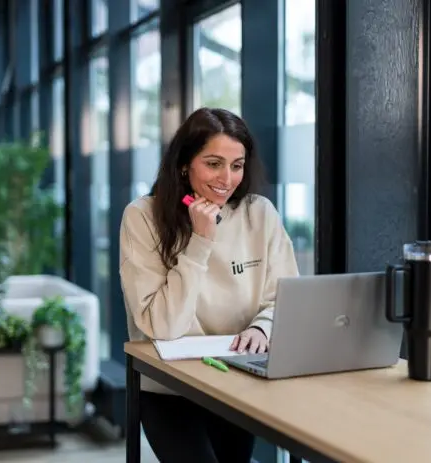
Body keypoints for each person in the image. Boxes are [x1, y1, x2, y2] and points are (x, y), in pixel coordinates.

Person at [119, 107, 300, 463]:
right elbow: (164, 327)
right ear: (185, 164)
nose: (227, 178)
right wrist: (201, 241)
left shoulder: (258, 213)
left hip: (235, 380)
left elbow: (286, 298)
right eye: (214, 163)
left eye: (237, 165)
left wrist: (264, 327)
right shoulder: (142, 217)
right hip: (170, 387)